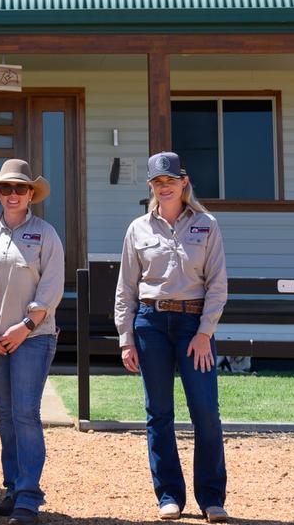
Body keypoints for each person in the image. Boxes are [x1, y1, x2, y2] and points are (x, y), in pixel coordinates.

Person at [115, 152, 229, 523]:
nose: (164, 188)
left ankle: (211, 498)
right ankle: (169, 496)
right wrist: (126, 337)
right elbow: (125, 290)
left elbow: (217, 285)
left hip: (193, 326)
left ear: (184, 182)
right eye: (157, 183)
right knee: (158, 413)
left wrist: (204, 333)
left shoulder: (207, 225)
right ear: (151, 187)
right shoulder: (138, 229)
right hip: (150, 325)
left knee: (206, 412)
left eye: (169, 181)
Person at [0, 159, 65, 525]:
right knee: (6, 417)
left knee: (25, 414)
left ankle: (28, 496)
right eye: (5, 188)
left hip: (33, 338)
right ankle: (12, 487)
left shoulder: (47, 234)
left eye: (19, 188)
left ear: (31, 194)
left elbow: (52, 286)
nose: (12, 194)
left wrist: (25, 325)